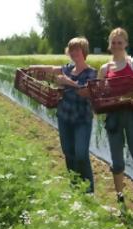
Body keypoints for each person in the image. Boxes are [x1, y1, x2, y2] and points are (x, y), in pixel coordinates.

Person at [30, 37, 97, 193]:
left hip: (82, 119)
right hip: (64, 117)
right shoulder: (67, 68)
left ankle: (88, 190)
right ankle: (74, 185)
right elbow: (51, 69)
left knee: (81, 154)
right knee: (68, 152)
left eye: (77, 49)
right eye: (71, 49)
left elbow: (85, 92)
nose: (73, 52)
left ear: (84, 51)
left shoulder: (91, 72)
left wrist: (68, 82)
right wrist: (33, 67)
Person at [98, 27, 133, 203]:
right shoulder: (105, 69)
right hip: (113, 117)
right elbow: (99, 95)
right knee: (117, 159)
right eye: (114, 42)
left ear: (126, 44)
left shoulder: (132, 63)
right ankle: (120, 197)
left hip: (131, 114)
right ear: (109, 45)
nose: (117, 45)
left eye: (120, 42)